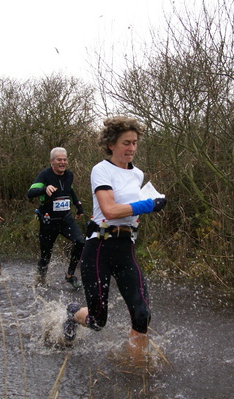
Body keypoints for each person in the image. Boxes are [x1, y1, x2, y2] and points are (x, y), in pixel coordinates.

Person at [63, 116, 166, 358]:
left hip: (125, 247)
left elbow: (130, 209)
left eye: (134, 143)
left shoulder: (137, 174)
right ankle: (73, 312)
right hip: (99, 247)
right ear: (111, 144)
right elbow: (109, 210)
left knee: (142, 314)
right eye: (126, 143)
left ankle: (136, 371)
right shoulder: (101, 170)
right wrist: (148, 205)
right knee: (98, 321)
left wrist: (141, 210)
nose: (131, 148)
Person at [27, 147, 85, 288]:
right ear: (52, 161)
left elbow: (69, 190)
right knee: (46, 255)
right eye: (59, 159)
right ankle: (40, 280)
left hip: (66, 219)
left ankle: (70, 275)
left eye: (65, 159)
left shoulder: (69, 175)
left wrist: (78, 206)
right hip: (48, 221)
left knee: (80, 241)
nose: (62, 162)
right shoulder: (45, 175)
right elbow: (30, 193)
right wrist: (44, 189)